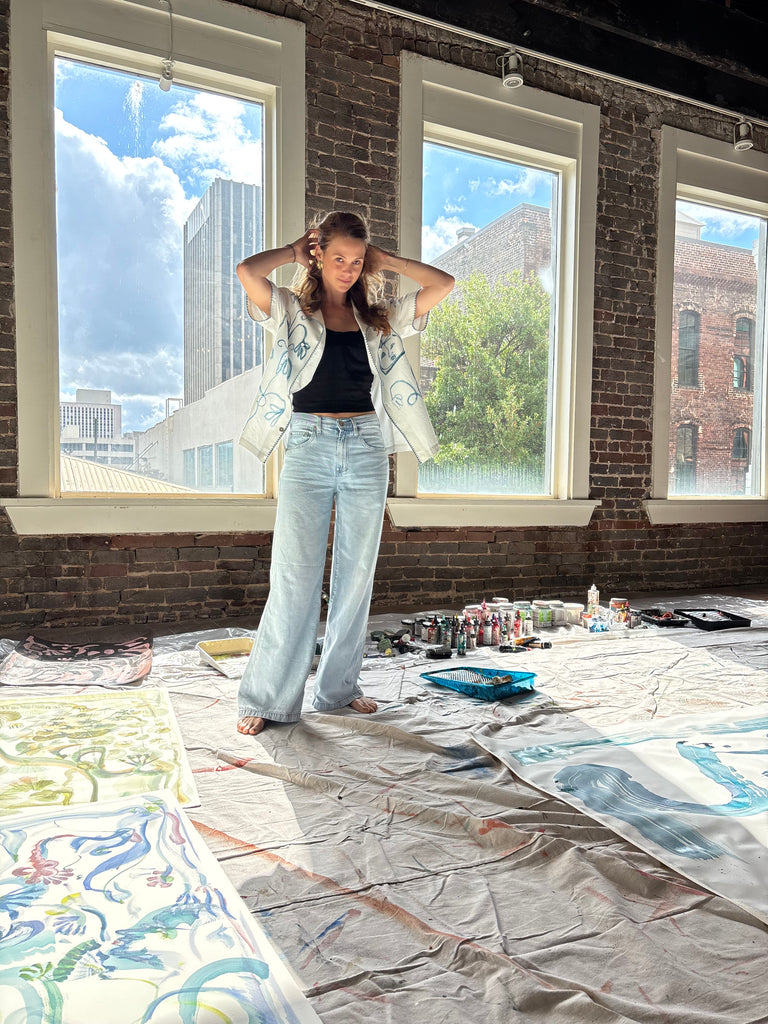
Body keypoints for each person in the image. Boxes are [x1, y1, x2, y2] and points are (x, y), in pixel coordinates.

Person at [235, 210, 454, 736]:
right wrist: (292, 251)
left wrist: (386, 261)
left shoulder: (378, 318)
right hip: (308, 444)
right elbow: (246, 272)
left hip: (365, 445)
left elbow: (444, 284)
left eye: (357, 261)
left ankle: (338, 690)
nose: (349, 269)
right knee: (294, 575)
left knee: (355, 575)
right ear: (318, 255)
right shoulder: (290, 308)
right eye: (339, 258)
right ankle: (268, 698)